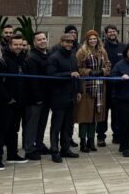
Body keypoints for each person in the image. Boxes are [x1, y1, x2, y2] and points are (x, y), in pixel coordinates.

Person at [0, 33, 28, 166]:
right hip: (7, 102)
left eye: (20, 44)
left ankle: (12, 154)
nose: (18, 47)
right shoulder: (2, 61)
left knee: (14, 129)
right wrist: (8, 98)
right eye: (16, 44)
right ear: (10, 45)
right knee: (2, 130)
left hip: (20, 102)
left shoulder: (23, 59)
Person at [75, 30, 110, 153]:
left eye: (95, 38)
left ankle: (91, 140)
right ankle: (82, 141)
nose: (93, 41)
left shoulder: (102, 51)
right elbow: (77, 68)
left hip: (100, 88)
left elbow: (108, 65)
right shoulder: (81, 52)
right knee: (84, 116)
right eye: (90, 39)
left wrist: (103, 71)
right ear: (87, 40)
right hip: (86, 88)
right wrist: (89, 72)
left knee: (95, 116)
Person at [47, 33, 80, 163]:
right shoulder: (54, 57)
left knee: (68, 126)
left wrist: (78, 91)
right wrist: (69, 74)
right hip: (58, 97)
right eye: (67, 42)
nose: (69, 44)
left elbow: (76, 74)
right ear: (61, 42)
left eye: (71, 42)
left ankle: (65, 149)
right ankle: (54, 150)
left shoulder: (72, 57)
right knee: (56, 126)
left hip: (71, 96)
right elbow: (51, 75)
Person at [23, 31, 51, 160]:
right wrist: (37, 98)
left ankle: (39, 144)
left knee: (42, 123)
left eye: (44, 38)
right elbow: (32, 81)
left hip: (47, 96)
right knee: (32, 124)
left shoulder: (49, 55)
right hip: (35, 98)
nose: (42, 41)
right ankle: (29, 149)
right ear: (34, 42)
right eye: (39, 40)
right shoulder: (32, 58)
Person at [98, 24, 123, 147]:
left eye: (114, 31)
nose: (112, 33)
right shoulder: (101, 48)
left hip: (118, 85)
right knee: (103, 112)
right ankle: (101, 136)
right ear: (106, 34)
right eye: (109, 32)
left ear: (117, 32)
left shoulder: (123, 47)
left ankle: (117, 135)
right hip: (105, 85)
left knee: (117, 112)